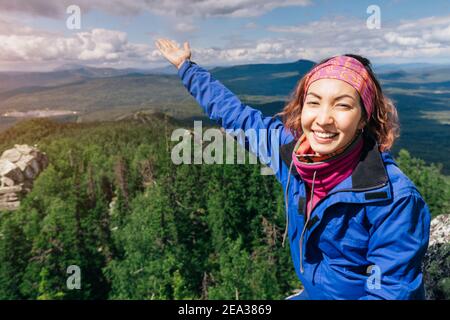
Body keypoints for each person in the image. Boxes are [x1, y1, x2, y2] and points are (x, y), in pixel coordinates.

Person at [155, 38, 431, 300]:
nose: (323, 119)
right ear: (302, 109)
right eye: (314, 102)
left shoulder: (393, 198)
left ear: (363, 119)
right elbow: (234, 114)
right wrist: (186, 68)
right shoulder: (291, 153)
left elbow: (389, 291)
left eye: (343, 105)